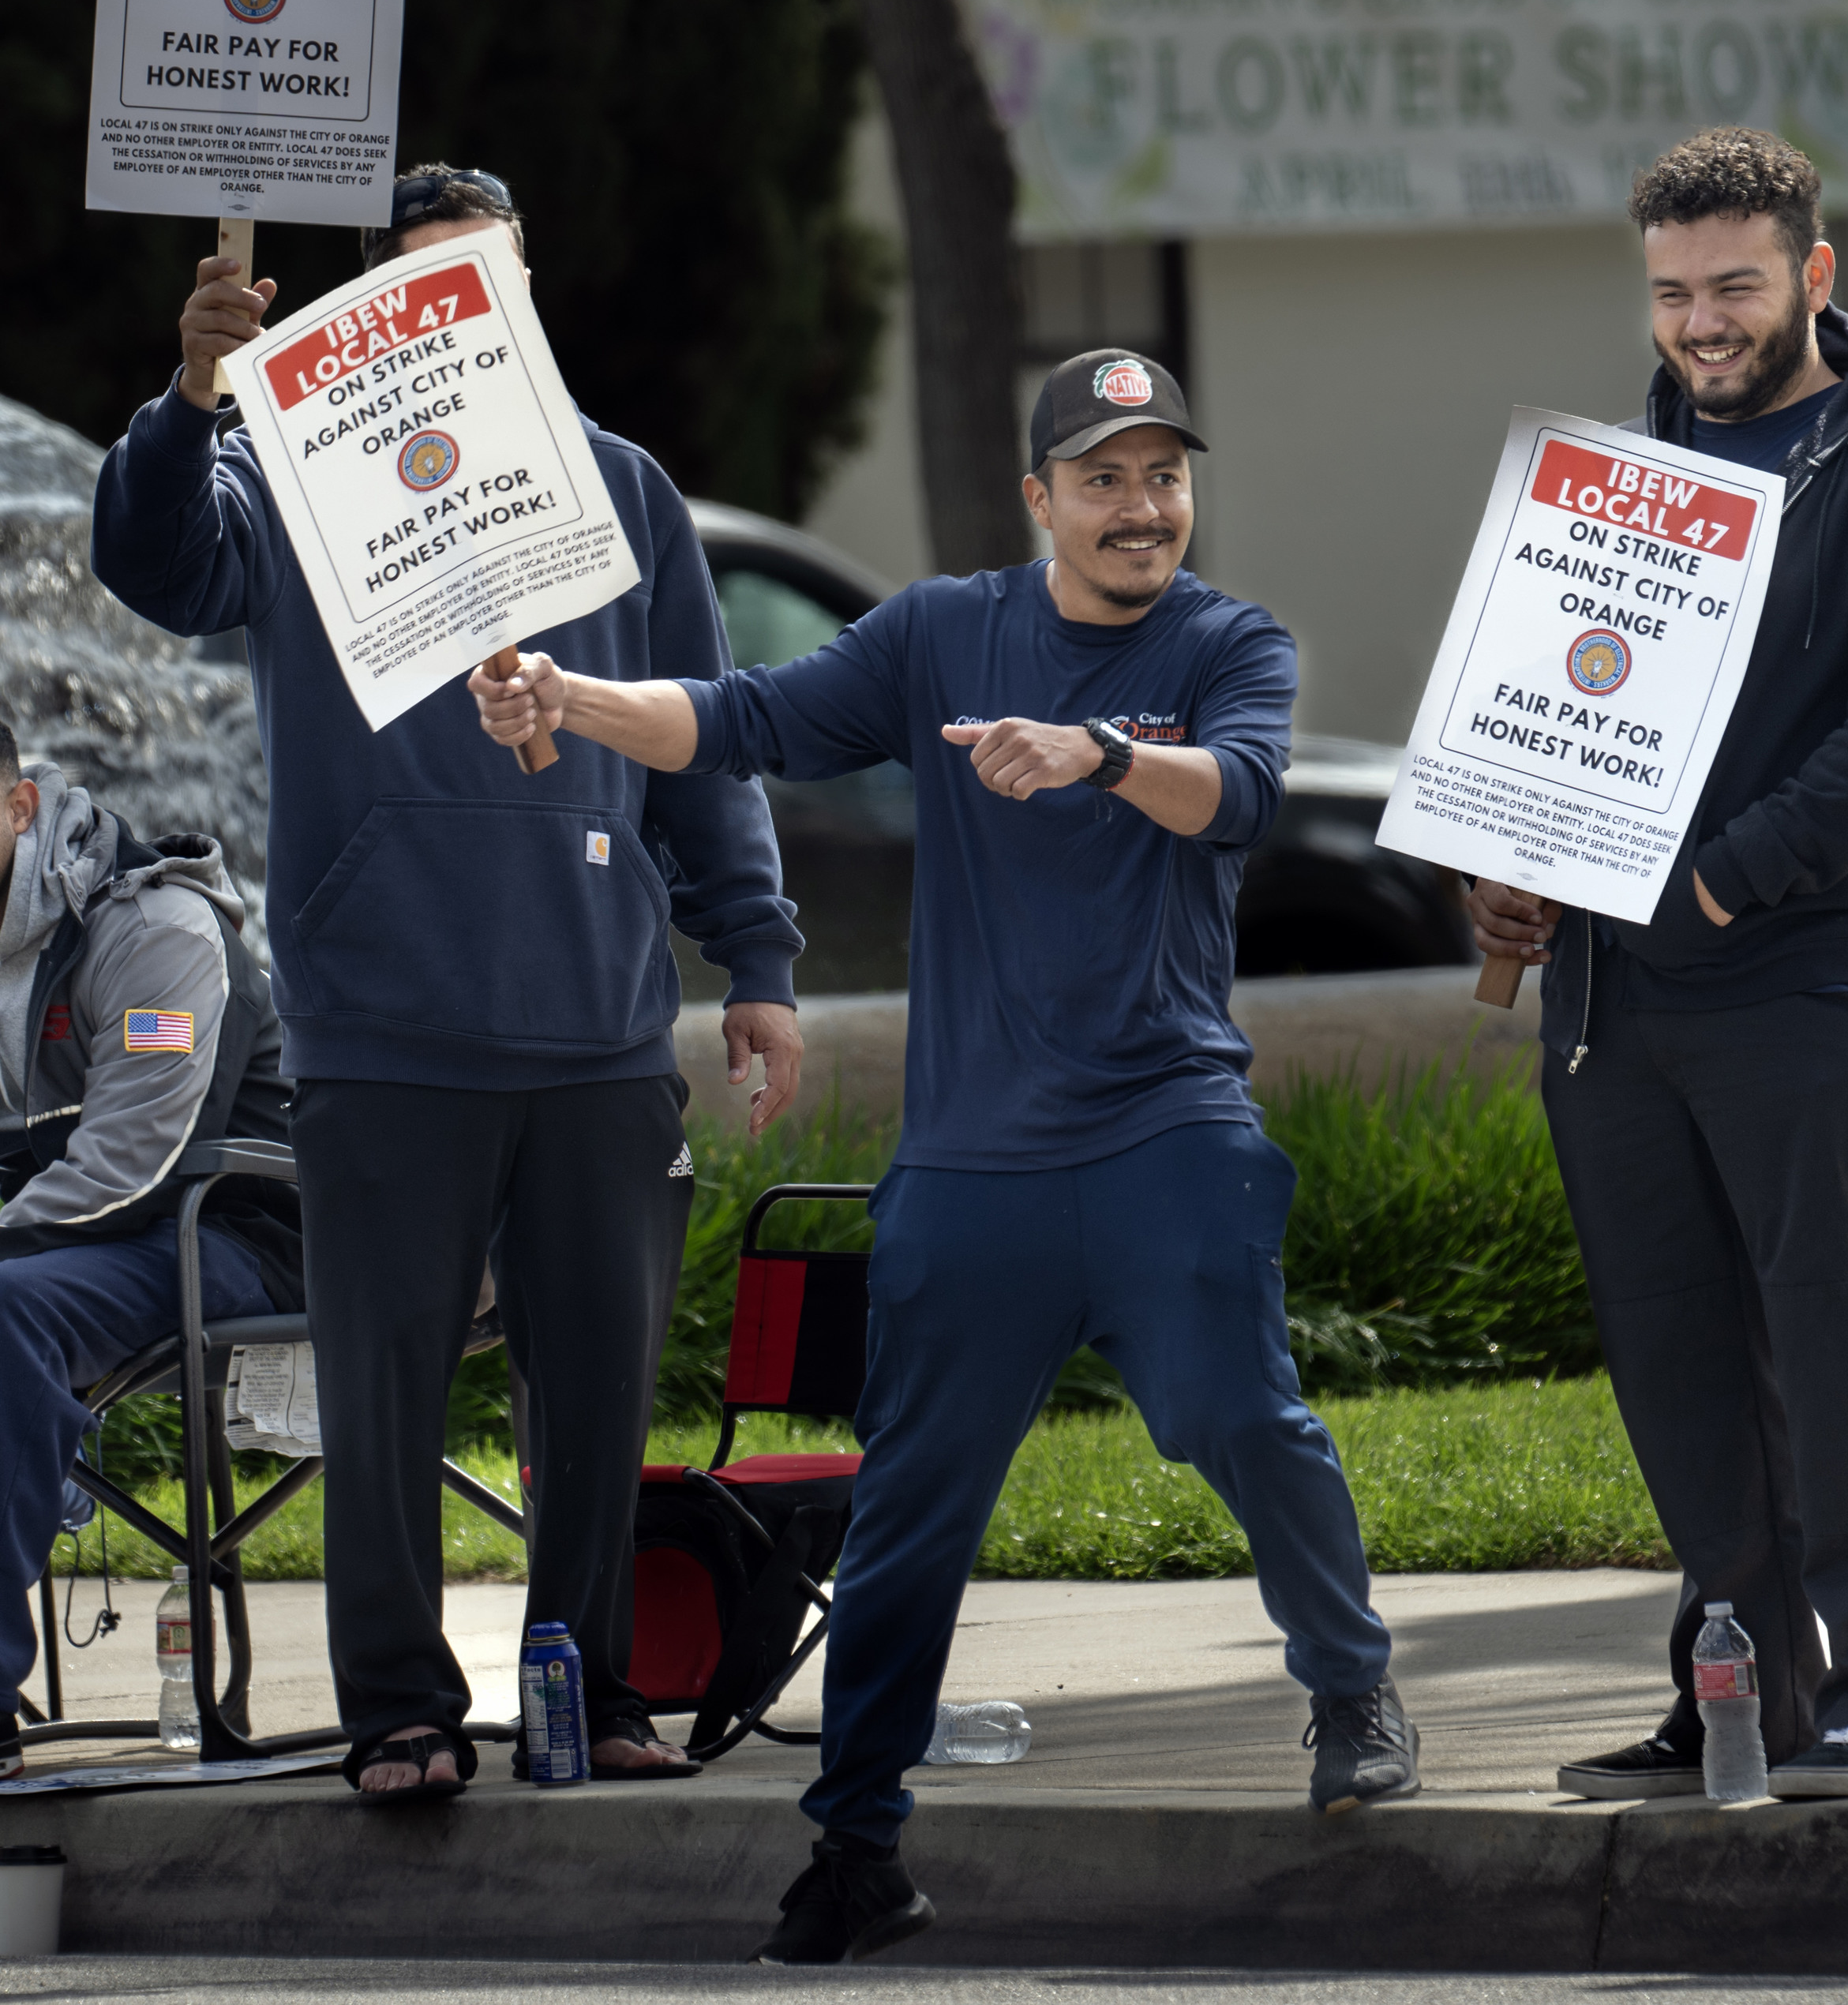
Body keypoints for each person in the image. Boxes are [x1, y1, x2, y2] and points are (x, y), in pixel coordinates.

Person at [468, 347, 1417, 1962]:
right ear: (1038, 498)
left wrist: (1101, 755)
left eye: (1163, 476)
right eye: (1103, 479)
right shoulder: (939, 632)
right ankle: (856, 1845)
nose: (1140, 508)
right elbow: (741, 717)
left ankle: (1348, 1686)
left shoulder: (1227, 642)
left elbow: (1241, 793)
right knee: (908, 1508)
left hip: (1162, 1128)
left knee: (1231, 1416)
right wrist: (570, 699)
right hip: (973, 1167)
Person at [91, 163, 805, 1800]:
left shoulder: (625, 494)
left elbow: (705, 749)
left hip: (599, 1023)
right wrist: (194, 396)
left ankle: (600, 1693)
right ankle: (398, 1715)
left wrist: (753, 955)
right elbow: (157, 565)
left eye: (488, 276)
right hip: (384, 1026)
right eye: (424, 282)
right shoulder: (287, 476)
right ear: (373, 317)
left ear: (527, 295)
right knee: (384, 1398)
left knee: (598, 1403)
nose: (461, 305)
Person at [1468, 128, 1848, 1801]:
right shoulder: (1610, 484)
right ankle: (1739, 1690)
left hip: (1809, 982)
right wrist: (1510, 870)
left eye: (1733, 286)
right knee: (1680, 1352)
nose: (1700, 323)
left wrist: (1723, 885)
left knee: (1841, 1342)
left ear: (1811, 278)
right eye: (1670, 292)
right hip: (1614, 1008)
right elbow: (1543, 715)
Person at [0, 740, 300, 1781]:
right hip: (93, 1240)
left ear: (20, 804)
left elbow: (137, 1163)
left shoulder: (155, 928)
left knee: (5, 1313)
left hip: (233, 1231)